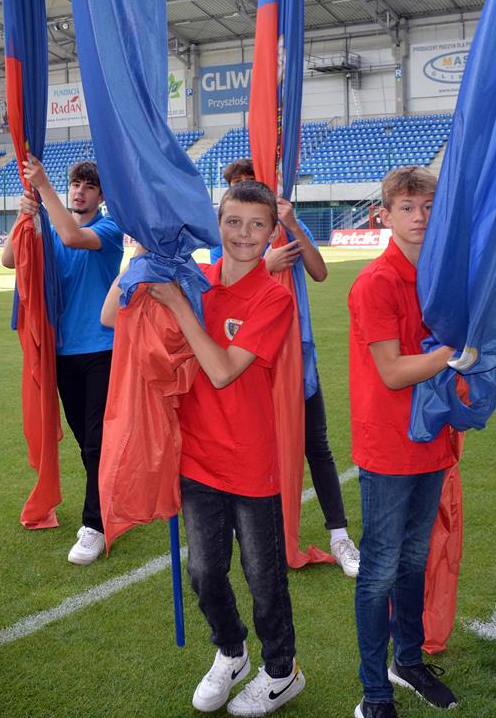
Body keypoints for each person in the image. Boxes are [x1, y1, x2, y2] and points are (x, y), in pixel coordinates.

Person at [106, 181, 306, 716]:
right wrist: (141, 260)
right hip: (195, 457)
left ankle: (282, 670)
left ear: (273, 233)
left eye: (257, 224)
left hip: (250, 460)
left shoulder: (273, 298)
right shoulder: (194, 276)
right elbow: (110, 317)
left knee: (264, 578)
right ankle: (231, 651)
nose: (244, 234)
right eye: (233, 221)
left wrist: (178, 305)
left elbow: (221, 371)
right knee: (204, 573)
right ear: (216, 226)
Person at [348, 167, 460, 717]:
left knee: (415, 560)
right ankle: (374, 694)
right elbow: (392, 372)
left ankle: (408, 661)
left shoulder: (442, 277)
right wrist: (454, 353)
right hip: (389, 446)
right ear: (385, 216)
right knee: (379, 572)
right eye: (408, 208)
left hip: (432, 438)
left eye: (429, 207)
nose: (420, 217)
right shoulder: (376, 282)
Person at [218, 158, 359, 576]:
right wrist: (266, 264)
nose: (246, 188)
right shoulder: (230, 235)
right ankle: (249, 531)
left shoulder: (284, 228)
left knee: (316, 445)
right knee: (248, 448)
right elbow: (221, 285)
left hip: (296, 358)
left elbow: (320, 272)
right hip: (247, 360)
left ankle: (340, 536)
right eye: (238, 184)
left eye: (251, 181)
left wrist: (293, 225)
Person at [2, 158, 124, 565]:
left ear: (101, 195)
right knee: (86, 441)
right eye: (76, 184)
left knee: (96, 441)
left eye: (89, 186)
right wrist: (24, 215)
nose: (80, 191)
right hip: (61, 352)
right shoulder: (50, 227)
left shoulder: (108, 230)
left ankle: (95, 525)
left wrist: (43, 188)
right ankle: (108, 500)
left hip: (102, 349)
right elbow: (9, 259)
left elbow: (73, 238)